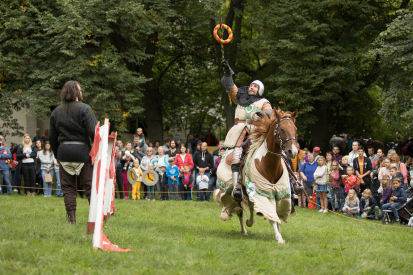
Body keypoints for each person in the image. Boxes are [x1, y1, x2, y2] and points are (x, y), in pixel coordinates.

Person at [220, 61, 273, 201]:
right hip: (238, 132)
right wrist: (227, 72)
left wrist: (262, 114)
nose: (252, 87)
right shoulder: (239, 98)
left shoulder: (263, 102)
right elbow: (229, 86)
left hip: (255, 132)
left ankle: (292, 183)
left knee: (278, 152)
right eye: (251, 85)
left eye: (255, 87)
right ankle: (236, 184)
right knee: (236, 154)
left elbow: (270, 113)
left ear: (259, 90)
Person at [49, 80, 98, 224]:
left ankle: (72, 220)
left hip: (63, 153)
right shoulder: (85, 109)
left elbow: (52, 137)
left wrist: (57, 155)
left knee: (68, 188)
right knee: (89, 186)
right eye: (80, 90)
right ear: (76, 92)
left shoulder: (56, 111)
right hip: (82, 153)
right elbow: (94, 133)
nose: (82, 92)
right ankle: (94, 219)